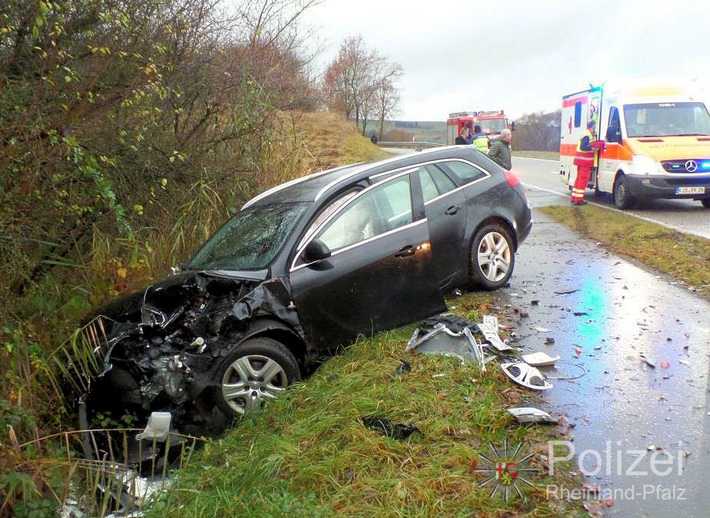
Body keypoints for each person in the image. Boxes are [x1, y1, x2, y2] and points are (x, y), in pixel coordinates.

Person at [571, 120, 602, 205]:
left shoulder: (586, 133)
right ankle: (579, 200)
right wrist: (593, 149)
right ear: (592, 127)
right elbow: (583, 147)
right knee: (583, 180)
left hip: (580, 160)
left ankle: (574, 197)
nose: (595, 129)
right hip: (584, 161)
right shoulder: (587, 134)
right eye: (594, 127)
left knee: (578, 179)